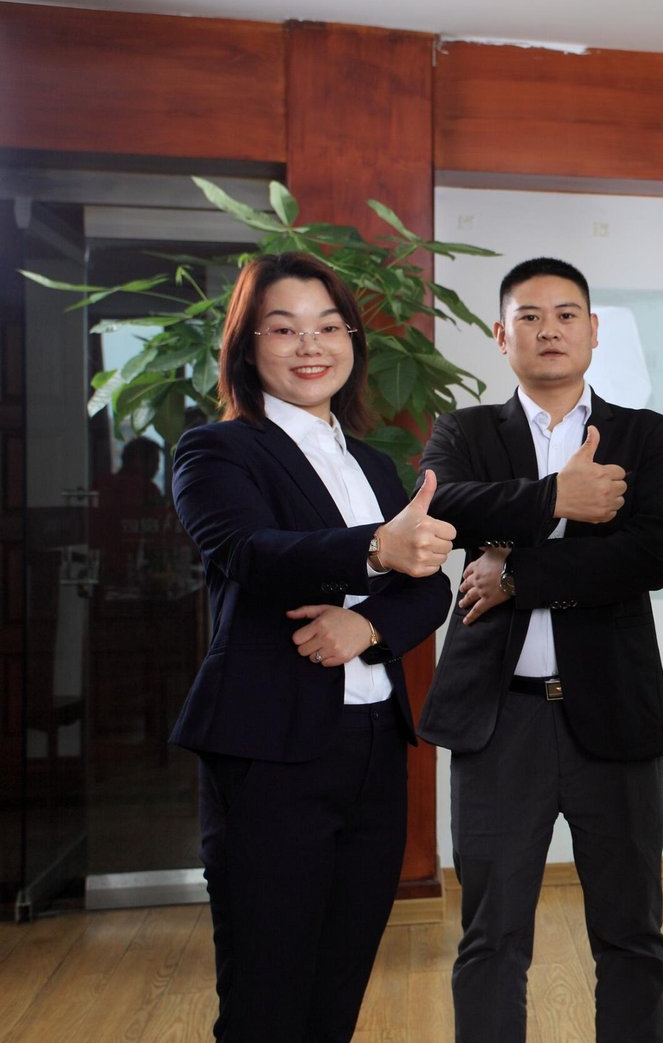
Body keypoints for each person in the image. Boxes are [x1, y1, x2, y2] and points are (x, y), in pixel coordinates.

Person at [169, 252, 454, 1042]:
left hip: (373, 748)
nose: (310, 345)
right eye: (285, 328)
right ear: (246, 344)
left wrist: (368, 626)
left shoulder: (373, 462)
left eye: (329, 326)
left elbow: (430, 585)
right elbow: (250, 551)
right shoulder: (216, 450)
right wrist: (375, 553)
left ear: (353, 341)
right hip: (269, 750)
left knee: (337, 992)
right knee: (267, 1001)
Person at [417, 257, 663, 1043]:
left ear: (594, 332)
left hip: (613, 716)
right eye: (529, 317)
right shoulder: (465, 431)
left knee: (633, 933)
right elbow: (445, 508)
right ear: (502, 337)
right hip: (501, 722)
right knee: (492, 936)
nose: (549, 330)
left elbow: (651, 555)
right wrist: (555, 500)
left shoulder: (644, 434)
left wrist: (519, 570)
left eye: (567, 314)